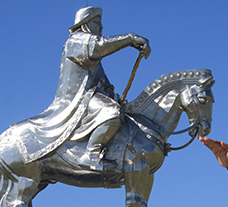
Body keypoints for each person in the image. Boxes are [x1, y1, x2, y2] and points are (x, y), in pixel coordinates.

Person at [9, 6, 151, 170]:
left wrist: (115, 98)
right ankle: (91, 156)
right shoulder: (76, 41)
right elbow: (98, 47)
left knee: (115, 109)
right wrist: (130, 39)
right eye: (97, 23)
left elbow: (104, 82)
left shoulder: (92, 56)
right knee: (111, 112)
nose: (102, 28)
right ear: (85, 24)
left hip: (90, 97)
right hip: (77, 99)